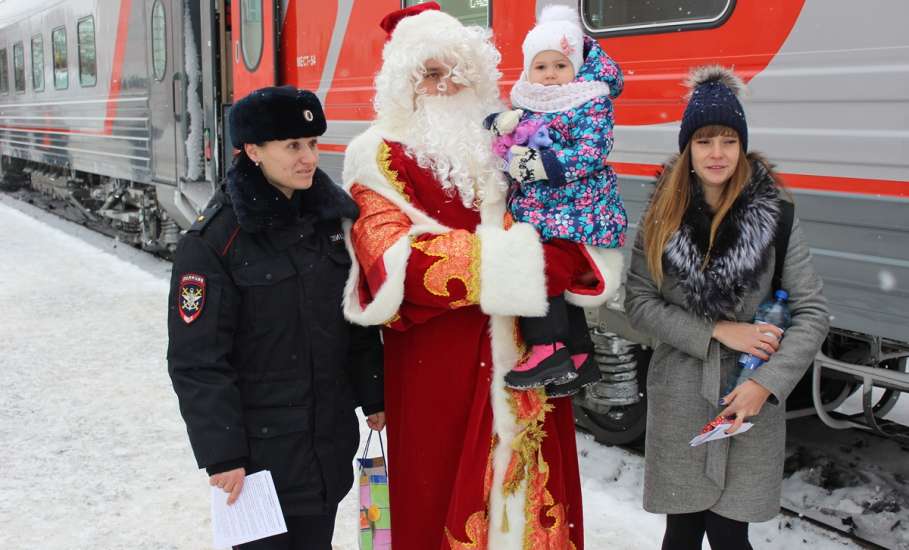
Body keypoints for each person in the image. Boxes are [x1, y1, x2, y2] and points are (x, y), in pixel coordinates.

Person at [340, 3, 618, 549]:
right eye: (431, 74)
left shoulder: (513, 142)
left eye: (459, 70)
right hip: (436, 366)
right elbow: (389, 256)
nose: (448, 85)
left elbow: (572, 219)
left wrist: (558, 257)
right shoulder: (374, 154)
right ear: (406, 85)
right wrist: (523, 262)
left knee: (530, 499)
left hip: (525, 356)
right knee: (437, 491)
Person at [166, 86, 384, 550]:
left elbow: (355, 322)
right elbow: (197, 361)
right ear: (253, 150)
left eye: (312, 144)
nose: (308, 158)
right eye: (292, 146)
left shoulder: (332, 222)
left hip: (325, 446)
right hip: (256, 463)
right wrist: (222, 454)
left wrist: (374, 395)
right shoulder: (213, 242)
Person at [624, 66, 830, 549]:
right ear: (687, 149)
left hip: (747, 400)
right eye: (703, 141)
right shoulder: (660, 218)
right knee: (681, 533)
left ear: (742, 146)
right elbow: (639, 303)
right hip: (681, 398)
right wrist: (715, 329)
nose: (717, 154)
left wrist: (766, 383)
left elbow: (812, 310)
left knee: (730, 534)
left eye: (728, 141)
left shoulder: (777, 216)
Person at [485, 5, 626, 394]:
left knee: (536, 270)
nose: (550, 76)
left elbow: (590, 152)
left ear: (576, 69)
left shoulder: (590, 101)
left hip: (578, 211)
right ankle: (579, 356)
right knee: (556, 282)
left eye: (560, 66)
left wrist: (541, 165)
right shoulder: (529, 103)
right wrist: (498, 130)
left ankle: (548, 348)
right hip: (547, 213)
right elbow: (510, 142)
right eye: (541, 67)